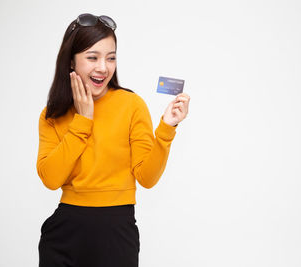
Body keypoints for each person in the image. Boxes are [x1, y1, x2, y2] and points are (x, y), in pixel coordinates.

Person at [36, 13, 190, 267]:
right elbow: (51, 179)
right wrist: (82, 122)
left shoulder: (131, 105)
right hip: (63, 236)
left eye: (111, 58)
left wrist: (167, 128)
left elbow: (147, 178)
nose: (103, 67)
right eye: (92, 57)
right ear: (71, 61)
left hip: (117, 235)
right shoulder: (52, 114)